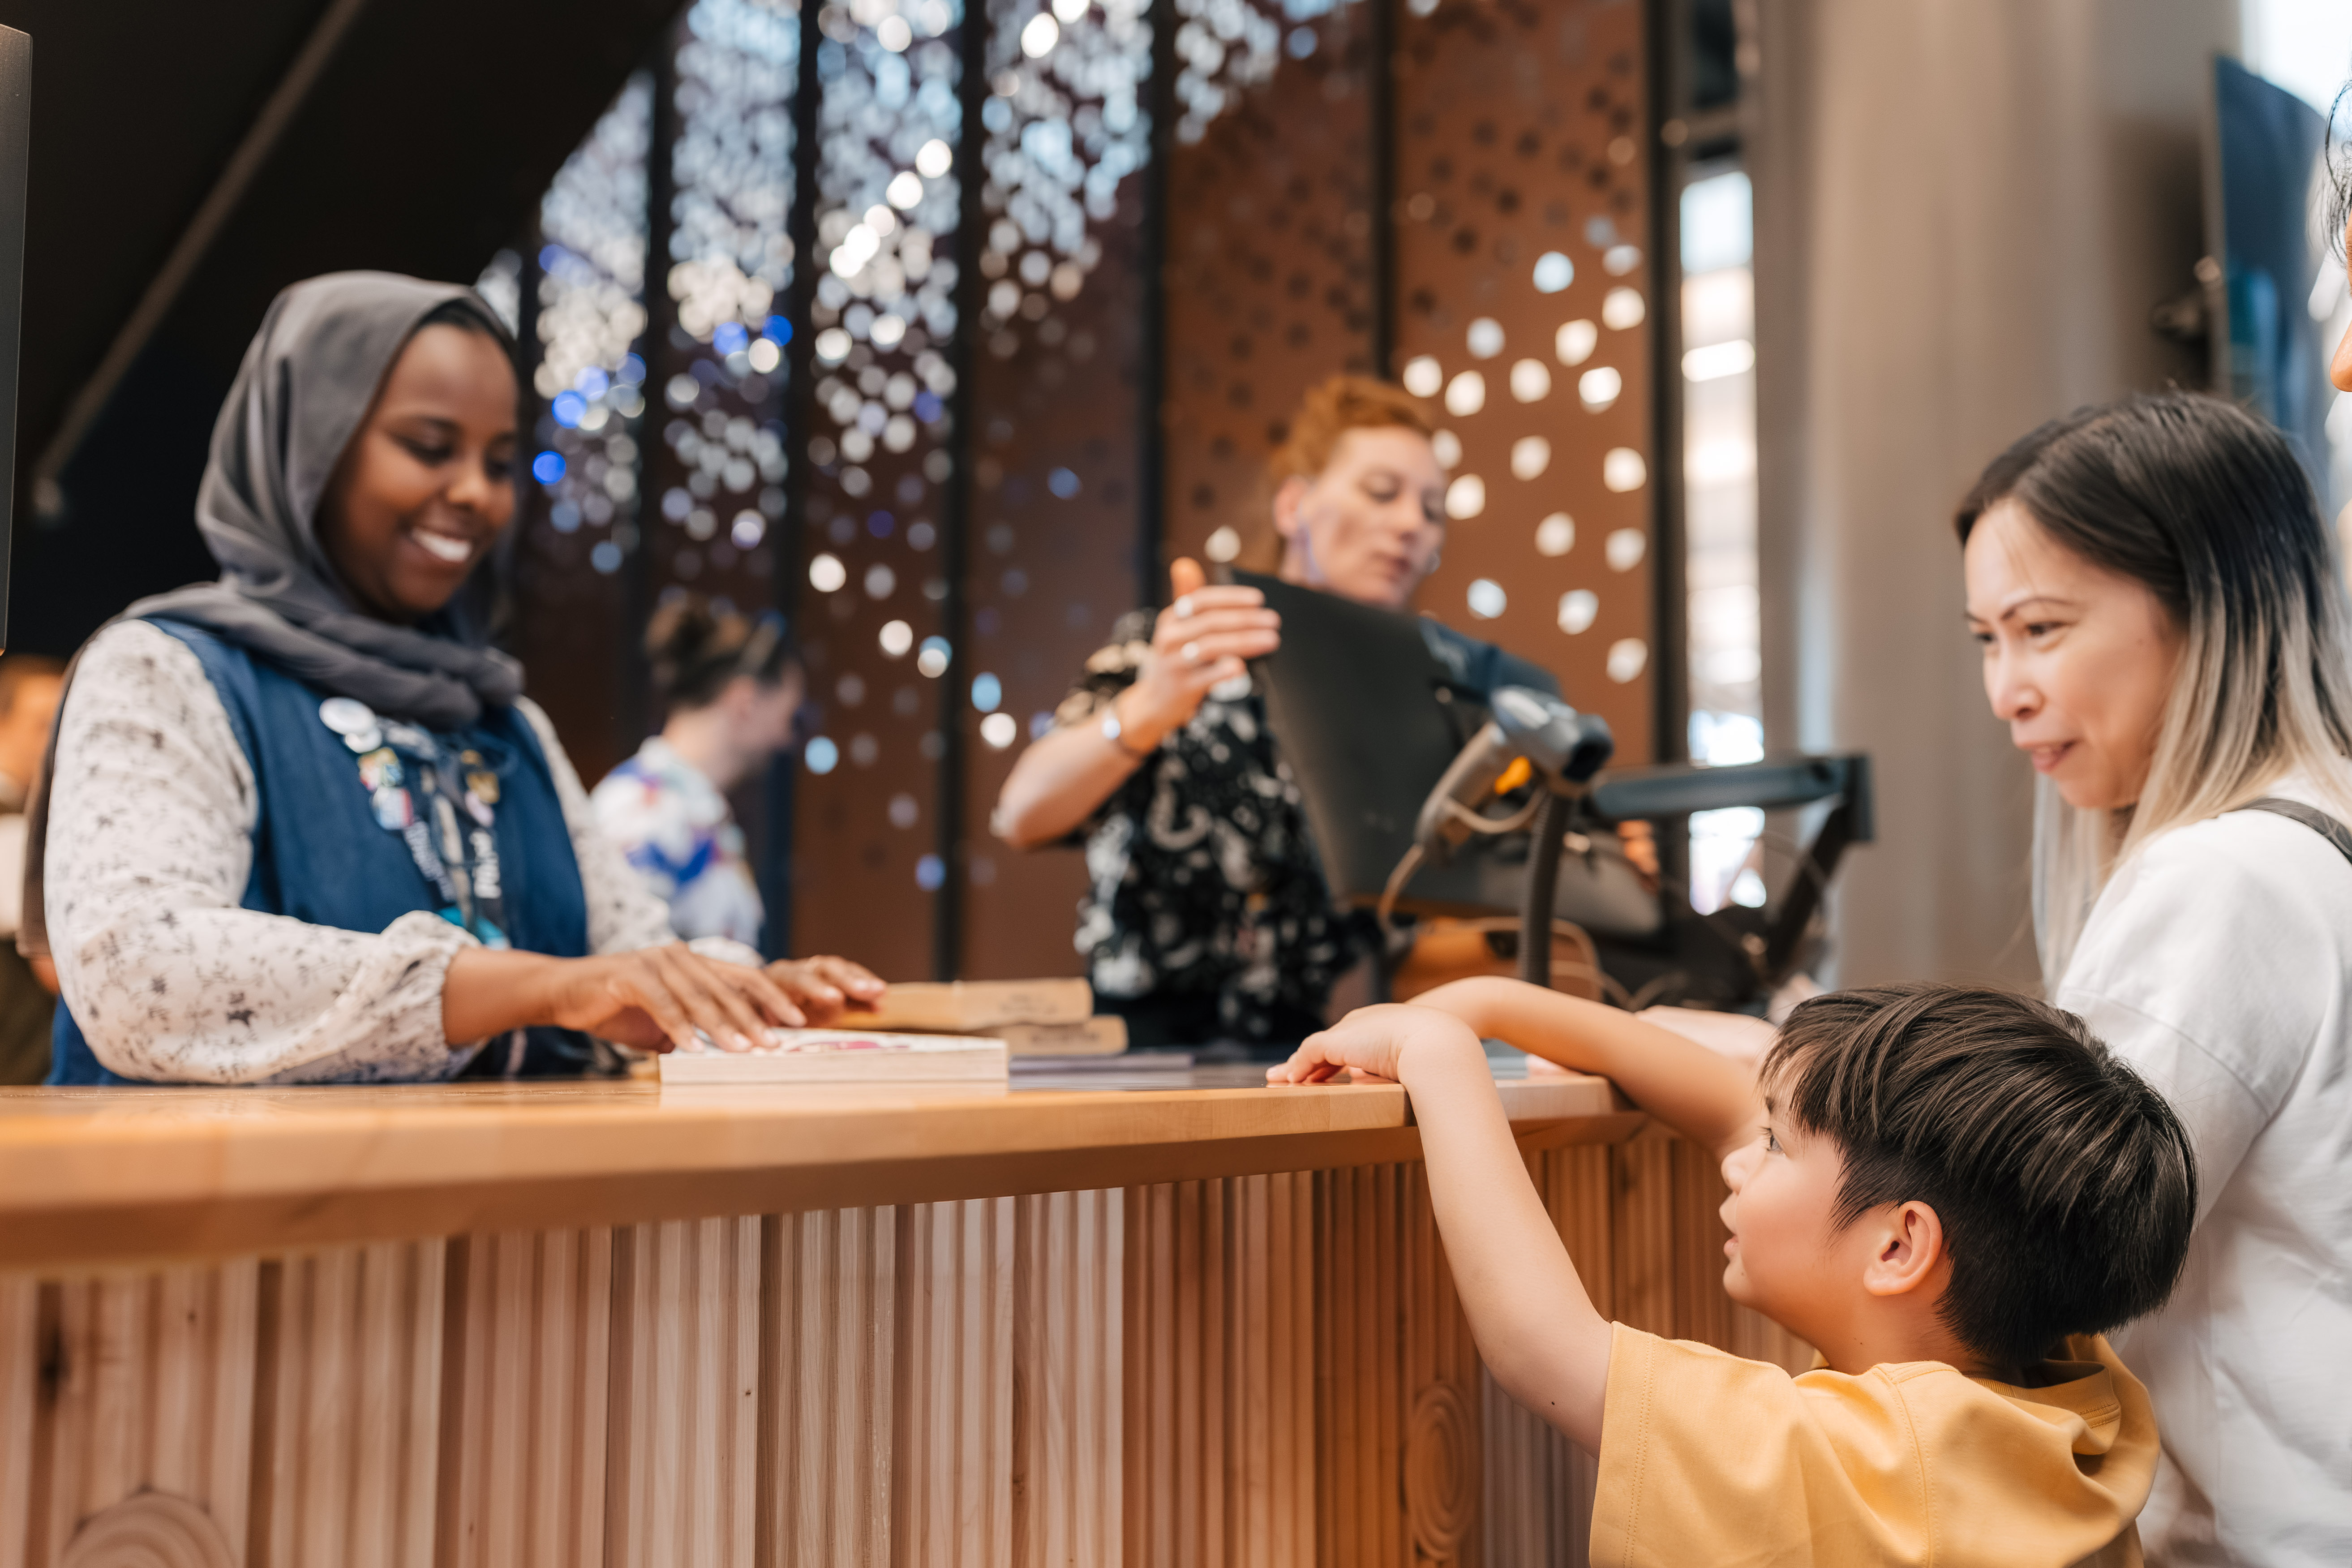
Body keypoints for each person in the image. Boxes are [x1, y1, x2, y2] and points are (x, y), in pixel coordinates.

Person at [23, 272, 880, 1085]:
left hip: (507, 1228)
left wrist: (739, 989)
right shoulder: (169, 670)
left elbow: (624, 953)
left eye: (502, 462)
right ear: (307, 451)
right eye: (429, 448)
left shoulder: (507, 725)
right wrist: (541, 987)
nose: (476, 493)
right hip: (224, 1224)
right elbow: (136, 974)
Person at [1271, 979, 2195, 1567]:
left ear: (1897, 1247)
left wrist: (1440, 1055)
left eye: (1773, 1147)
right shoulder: (2061, 1374)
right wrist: (1483, 1002)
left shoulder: (1877, 1462)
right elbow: (1734, 1096)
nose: (1736, 1158)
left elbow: (1540, 1347)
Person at [1956, 390, 2352, 1564]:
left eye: (2040, 628)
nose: (2005, 689)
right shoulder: (2313, 832)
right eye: (1986, 639)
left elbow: (2027, 1254)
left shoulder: (2220, 877)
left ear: (2202, 604)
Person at [992, 374, 1561, 1052]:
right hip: (1133, 1053)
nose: (1412, 523)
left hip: (1300, 1062)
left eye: (1432, 509)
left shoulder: (1419, 714)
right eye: (1382, 492)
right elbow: (1021, 814)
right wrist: (1148, 705)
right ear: (1295, 506)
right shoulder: (1176, 646)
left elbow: (1427, 935)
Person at [592, 594, 804, 949]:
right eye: (788, 717)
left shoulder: (693, 810)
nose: (786, 738)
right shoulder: (644, 810)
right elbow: (619, 965)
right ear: (746, 703)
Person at [0, 655, 63, 1083]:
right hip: (18, 1066)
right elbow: (53, 968)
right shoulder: (11, 822)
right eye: (42, 724)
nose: (54, 742)